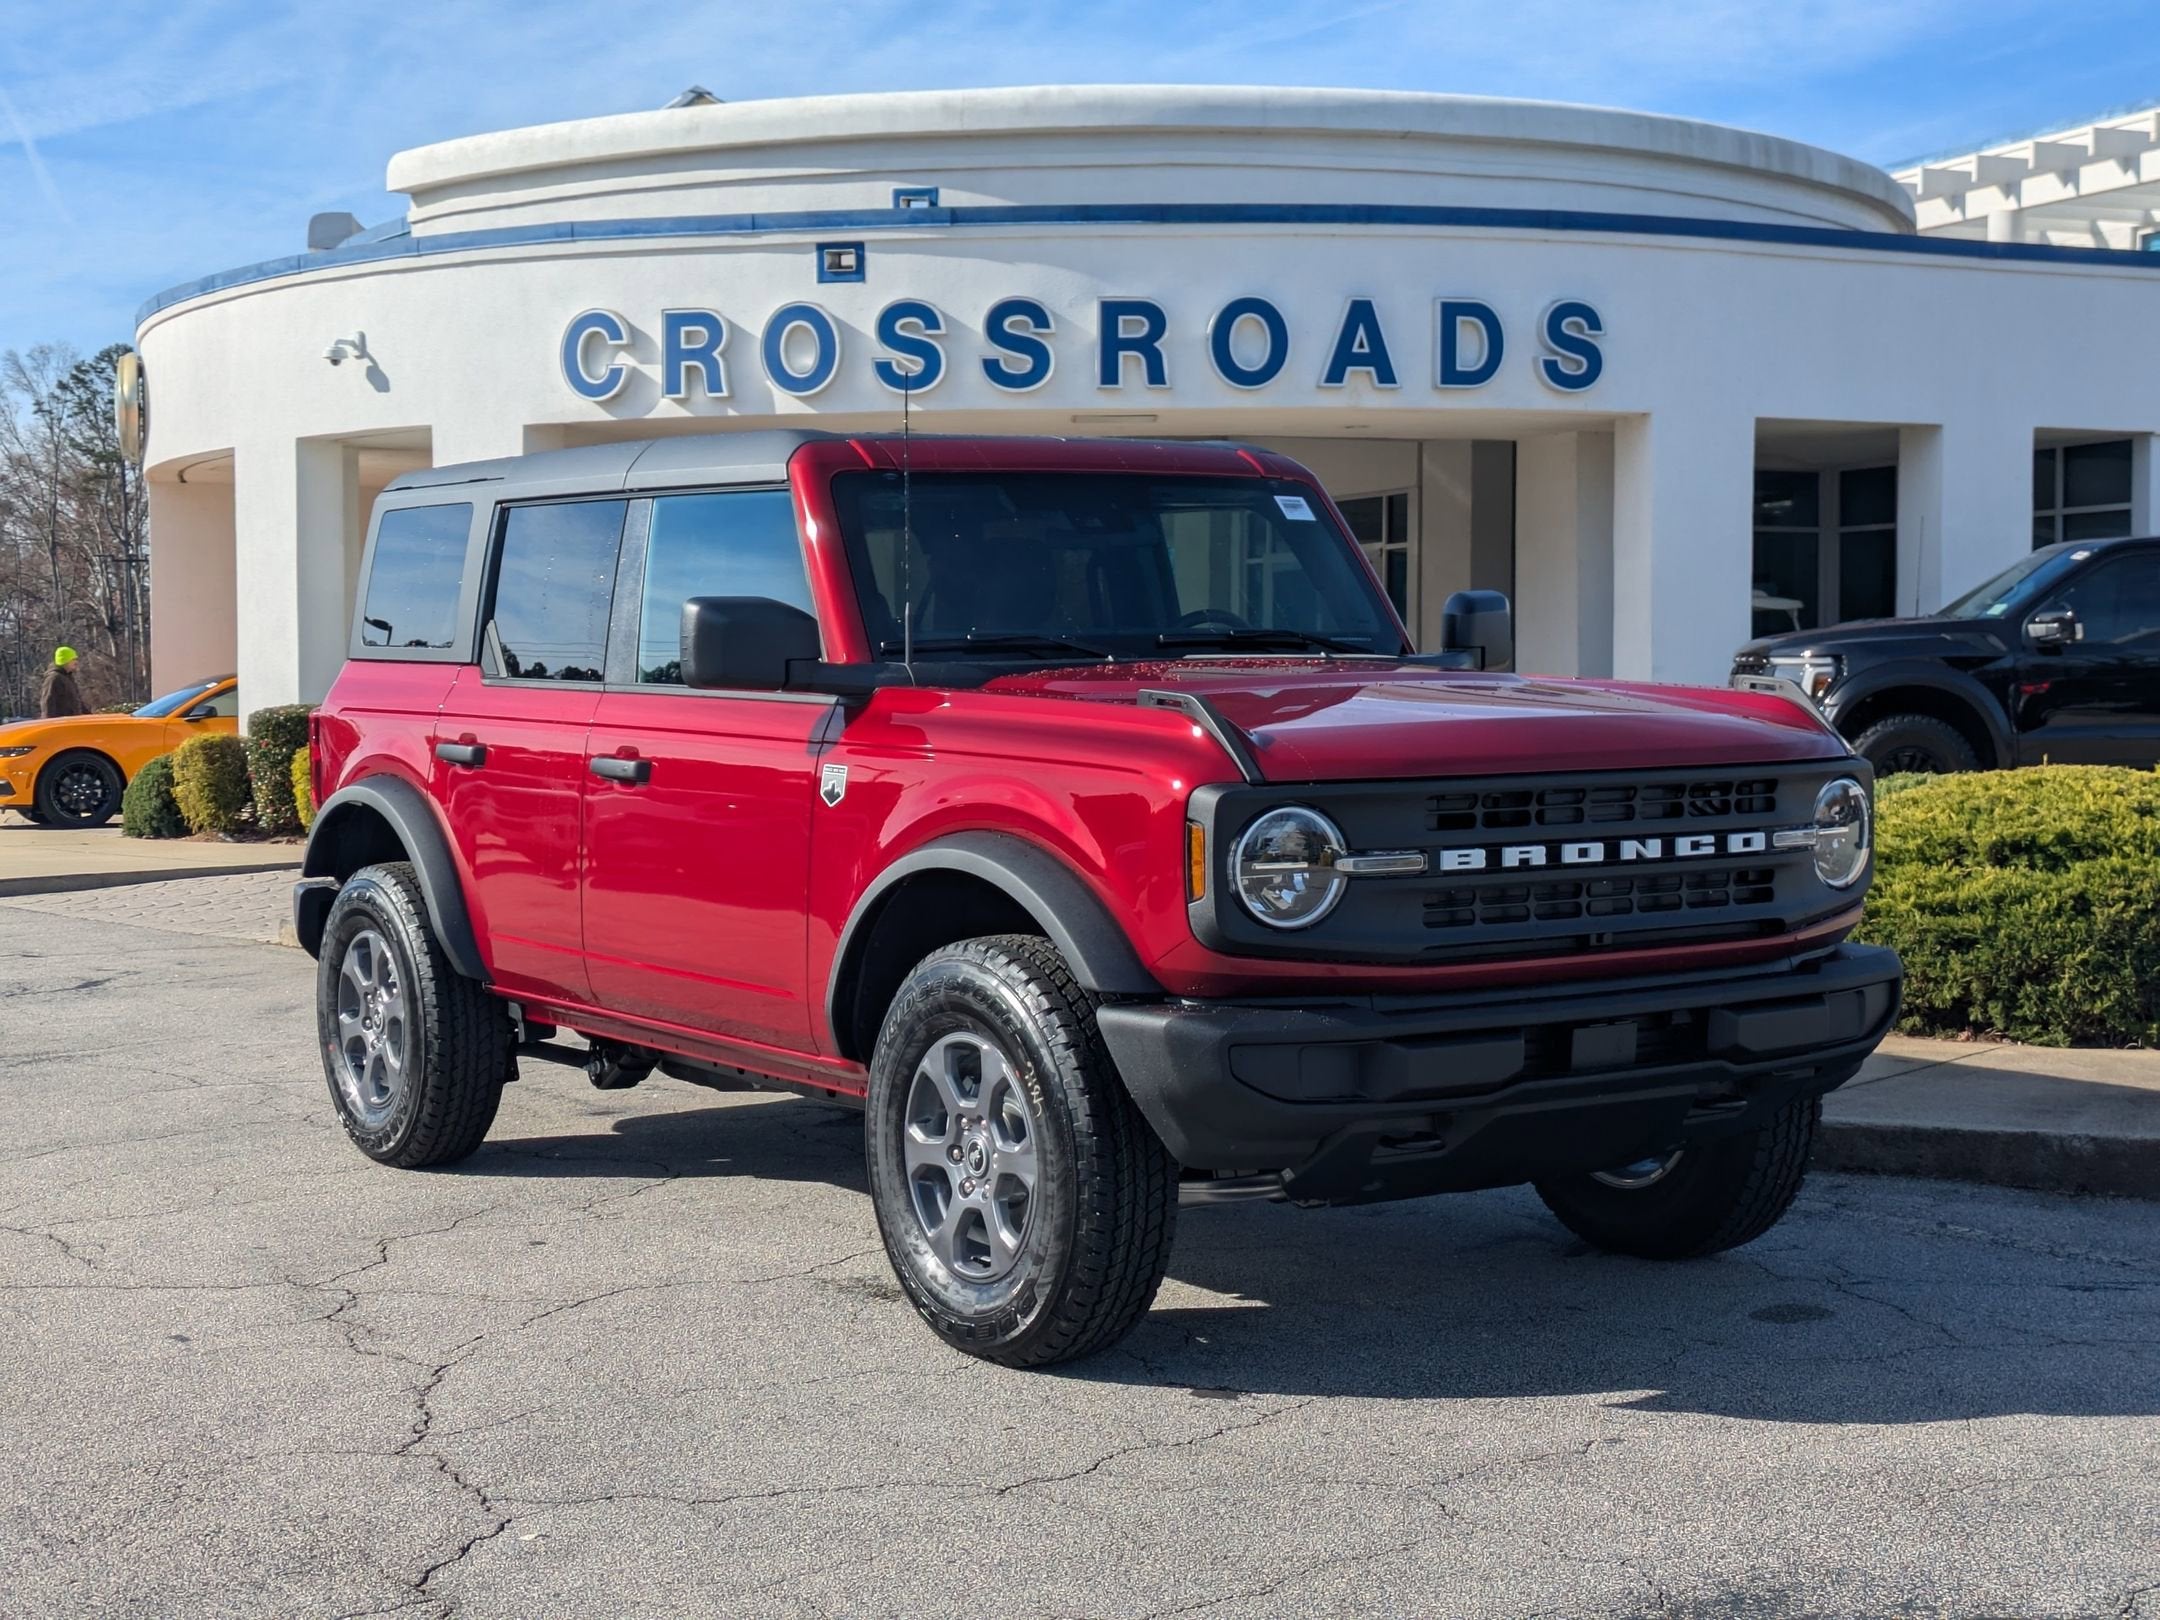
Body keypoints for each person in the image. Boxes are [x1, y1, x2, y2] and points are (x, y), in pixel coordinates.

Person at [39, 647, 87, 719]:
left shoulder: (68, 678)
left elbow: (77, 703)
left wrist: (90, 716)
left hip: (71, 723)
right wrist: (50, 724)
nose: (76, 662)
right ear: (65, 661)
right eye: (73, 659)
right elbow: (48, 703)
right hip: (61, 725)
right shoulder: (54, 678)